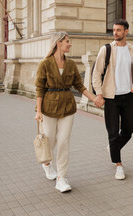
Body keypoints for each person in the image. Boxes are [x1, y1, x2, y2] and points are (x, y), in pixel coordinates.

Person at [34, 31, 102, 193]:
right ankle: (47, 164)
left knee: (64, 141)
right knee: (50, 140)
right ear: (58, 43)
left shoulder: (71, 64)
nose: (69, 44)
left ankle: (61, 178)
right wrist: (38, 111)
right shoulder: (45, 64)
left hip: (67, 107)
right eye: (67, 41)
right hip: (48, 107)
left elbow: (80, 86)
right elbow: (39, 88)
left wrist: (94, 99)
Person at [92, 19, 133, 180]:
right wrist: (99, 93)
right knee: (113, 133)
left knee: (129, 129)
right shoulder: (106, 49)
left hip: (128, 96)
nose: (115, 33)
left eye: (119, 30)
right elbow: (96, 73)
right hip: (111, 97)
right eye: (114, 30)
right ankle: (118, 165)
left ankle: (114, 148)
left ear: (126, 31)